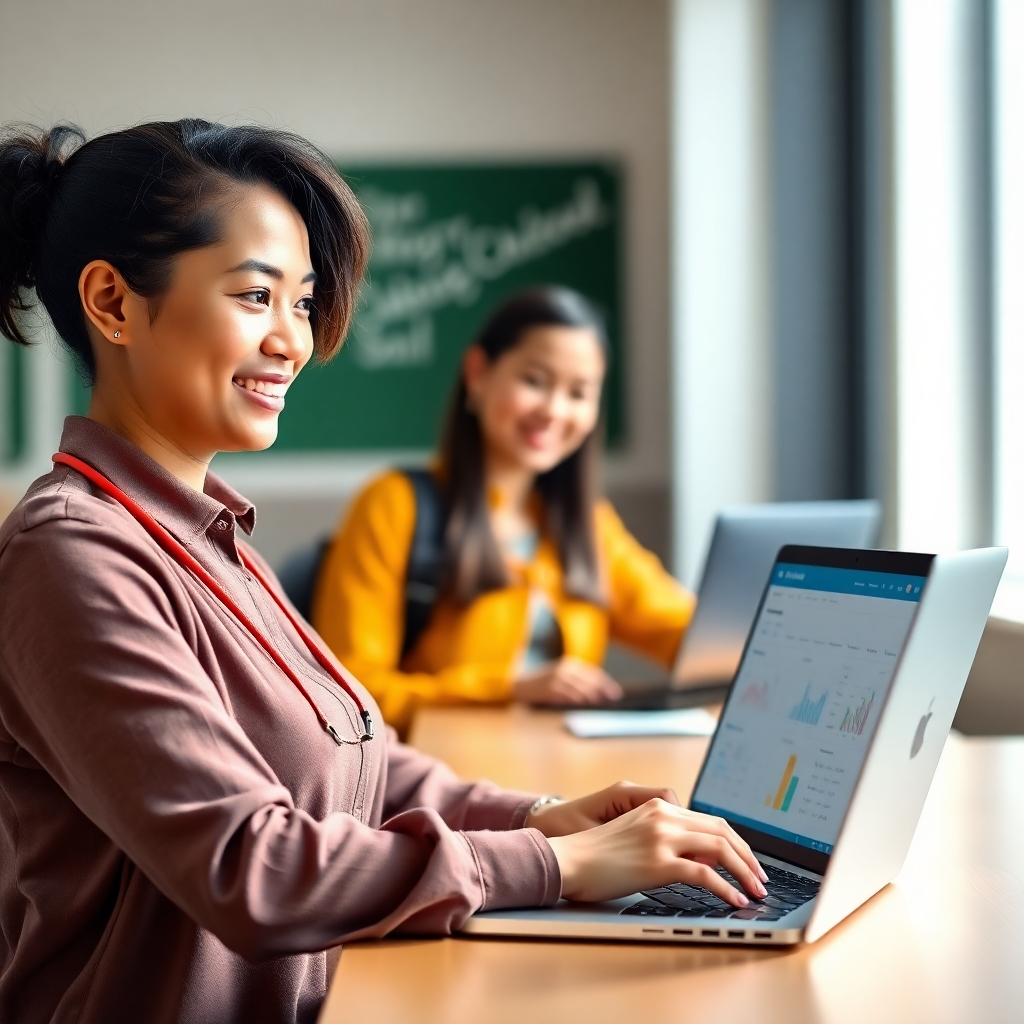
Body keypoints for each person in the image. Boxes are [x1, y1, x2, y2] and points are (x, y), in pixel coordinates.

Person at [0, 120, 767, 1024]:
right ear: (113, 303)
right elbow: (252, 866)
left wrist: (543, 817)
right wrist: (553, 867)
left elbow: (360, 760)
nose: (296, 341)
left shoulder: (212, 536)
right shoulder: (74, 555)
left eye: (303, 301)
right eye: (256, 297)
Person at [312, 287, 696, 734]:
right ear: (478, 373)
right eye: (534, 381)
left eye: (579, 393)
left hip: (562, 777)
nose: (554, 410)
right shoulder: (393, 505)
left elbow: (682, 632)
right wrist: (509, 688)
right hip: (441, 785)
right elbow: (352, 693)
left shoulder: (587, 524)